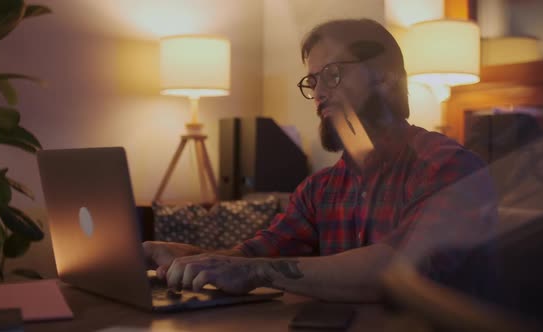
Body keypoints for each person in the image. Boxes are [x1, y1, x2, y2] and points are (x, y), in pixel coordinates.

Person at [143, 19, 497, 302]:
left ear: (387, 80)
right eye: (313, 81)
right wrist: (187, 256)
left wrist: (255, 272)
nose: (320, 93)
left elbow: (396, 272)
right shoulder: (320, 188)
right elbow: (251, 255)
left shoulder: (450, 169)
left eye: (333, 74)